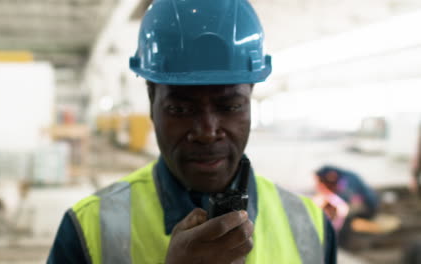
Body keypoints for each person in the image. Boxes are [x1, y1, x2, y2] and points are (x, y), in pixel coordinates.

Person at [47, 0, 337, 263]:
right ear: (152, 102)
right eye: (181, 110)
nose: (207, 132)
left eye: (230, 106)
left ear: (250, 100)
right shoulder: (87, 230)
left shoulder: (311, 227)